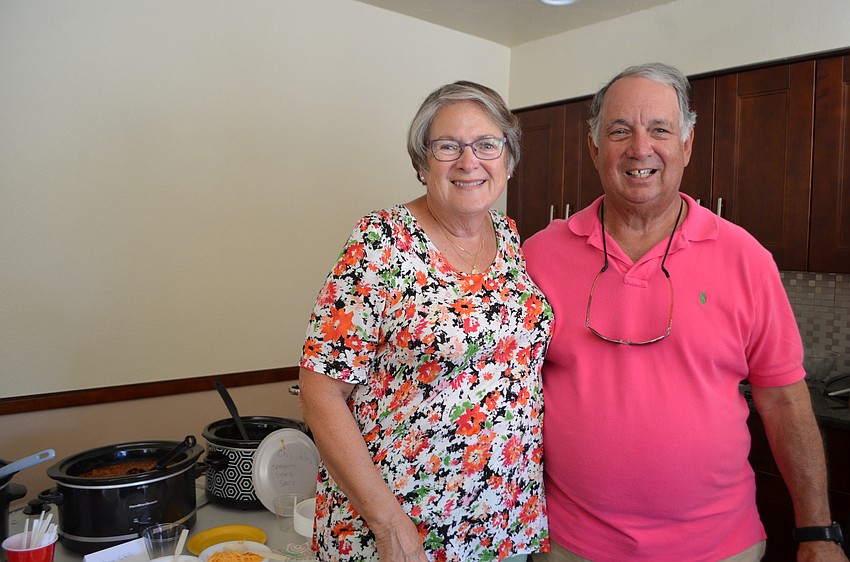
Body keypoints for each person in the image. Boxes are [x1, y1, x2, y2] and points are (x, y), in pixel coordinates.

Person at [523, 63, 849, 562]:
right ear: (593, 149)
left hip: (719, 548)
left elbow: (784, 402)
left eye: (660, 130)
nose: (640, 148)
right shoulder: (539, 256)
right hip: (569, 544)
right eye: (619, 131)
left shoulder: (747, 258)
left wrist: (817, 532)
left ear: (687, 145)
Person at [298, 80, 554, 562]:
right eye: (447, 147)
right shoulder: (379, 243)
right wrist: (388, 524)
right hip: (399, 532)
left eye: (486, 144)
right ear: (421, 164)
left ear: (509, 160)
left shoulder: (511, 238)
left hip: (502, 523)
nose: (468, 161)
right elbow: (320, 391)